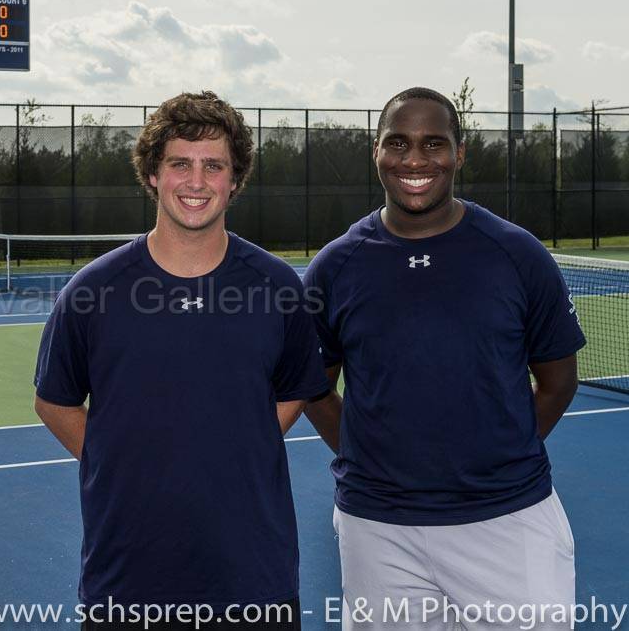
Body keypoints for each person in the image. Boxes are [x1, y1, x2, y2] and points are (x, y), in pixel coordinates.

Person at [33, 91, 329, 630]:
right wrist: (122, 462)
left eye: (214, 166)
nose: (197, 181)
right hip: (129, 580)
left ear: (234, 181)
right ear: (152, 175)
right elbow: (54, 401)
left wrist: (236, 446)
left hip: (253, 580)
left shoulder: (278, 286)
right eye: (180, 164)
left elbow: (295, 389)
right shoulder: (92, 290)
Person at [303, 87, 585, 630]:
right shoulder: (337, 264)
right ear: (377, 153)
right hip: (377, 529)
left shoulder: (517, 254)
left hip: (509, 519)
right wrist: (372, 458)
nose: (414, 160)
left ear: (459, 153)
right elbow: (316, 386)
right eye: (398, 143)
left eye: (434, 143)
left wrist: (496, 456)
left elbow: (557, 382)